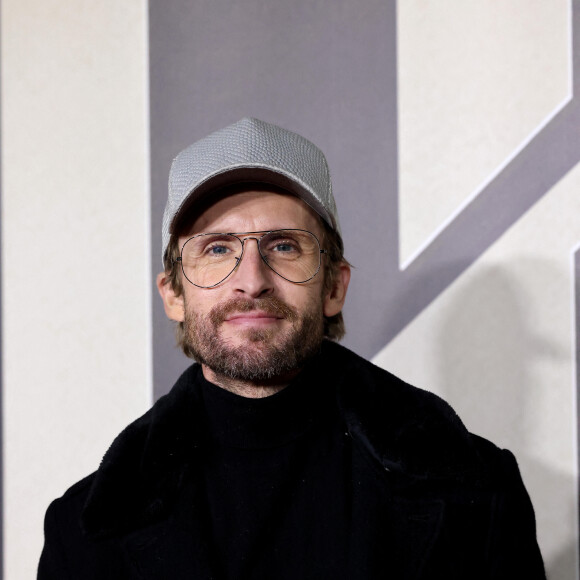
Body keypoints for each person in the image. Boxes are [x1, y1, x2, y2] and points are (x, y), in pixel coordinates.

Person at [38, 117, 546, 579]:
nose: (252, 281)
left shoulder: (476, 490)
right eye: (217, 248)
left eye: (283, 244)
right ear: (173, 293)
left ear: (333, 286)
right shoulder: (84, 531)